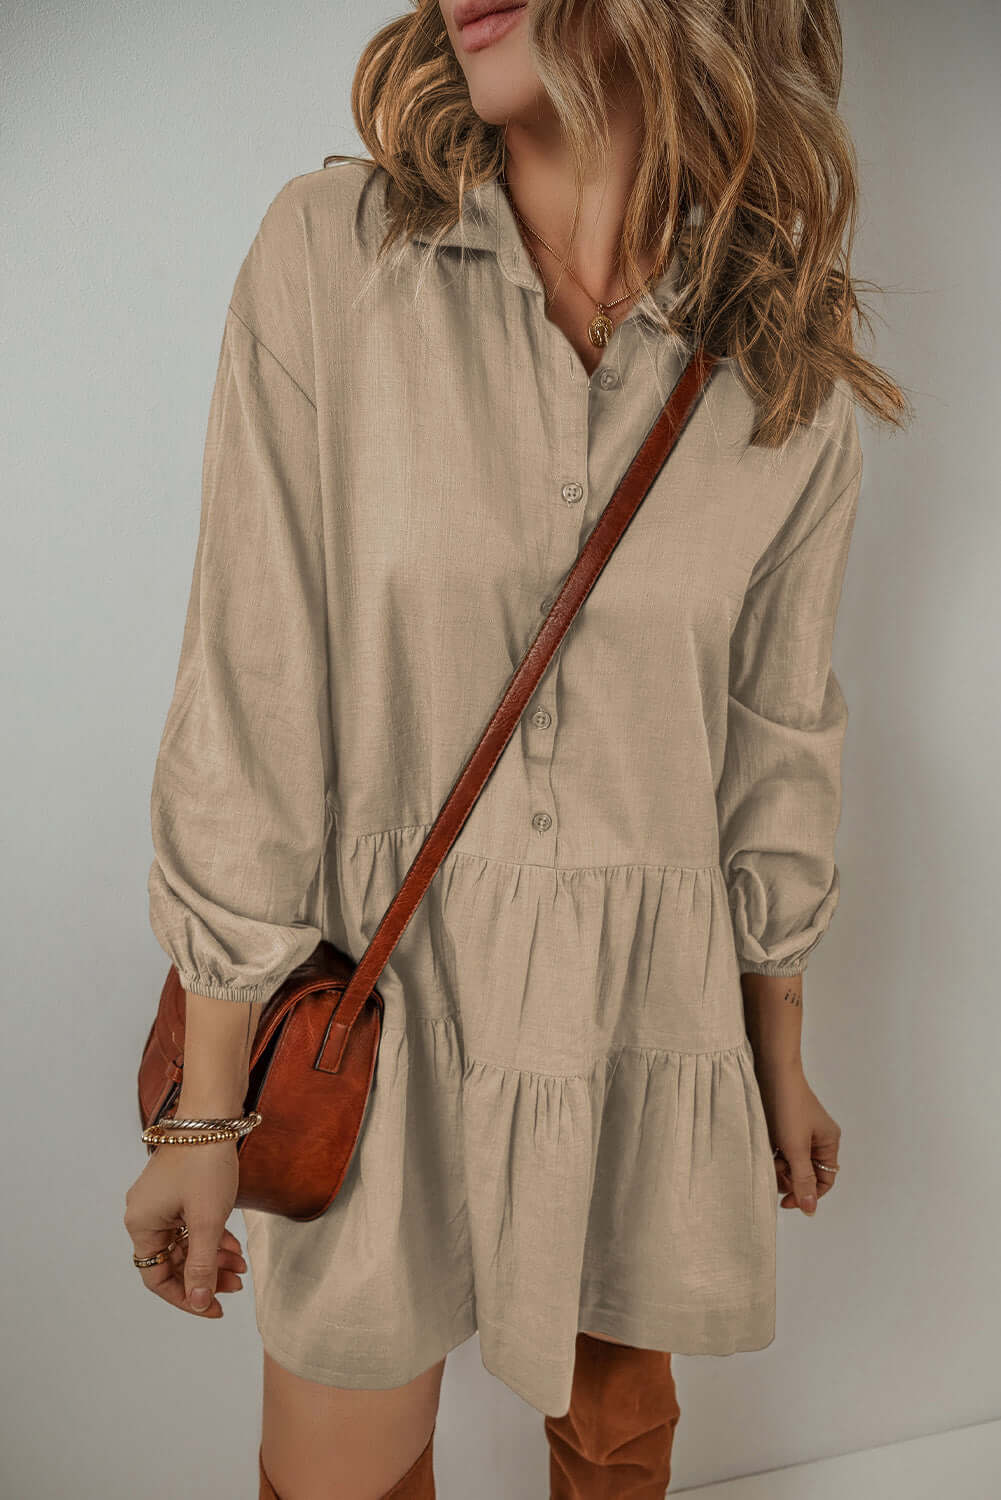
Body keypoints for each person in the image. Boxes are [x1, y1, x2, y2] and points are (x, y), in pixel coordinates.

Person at [124, 2, 909, 1496]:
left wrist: (777, 1052)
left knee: (616, 1446)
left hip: (647, 1004)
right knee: (334, 1470)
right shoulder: (335, 255)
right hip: (387, 1003)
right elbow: (251, 685)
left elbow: (778, 738)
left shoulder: (780, 357)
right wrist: (206, 1108)